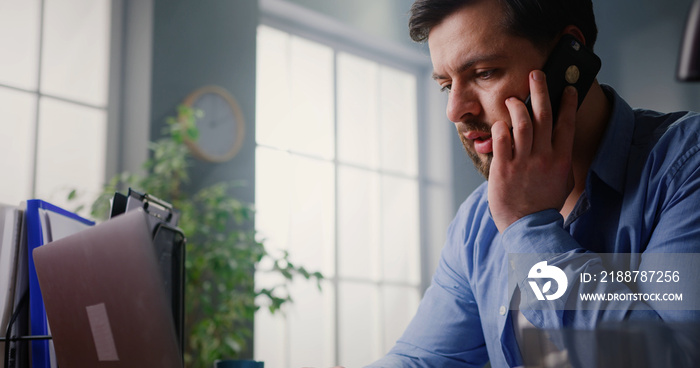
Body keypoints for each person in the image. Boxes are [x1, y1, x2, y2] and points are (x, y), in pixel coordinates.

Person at [365, 0, 700, 367]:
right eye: (447, 86)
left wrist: (527, 226)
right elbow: (423, 360)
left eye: (484, 72)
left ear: (569, 56)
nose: (456, 110)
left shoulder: (685, 165)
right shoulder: (477, 221)